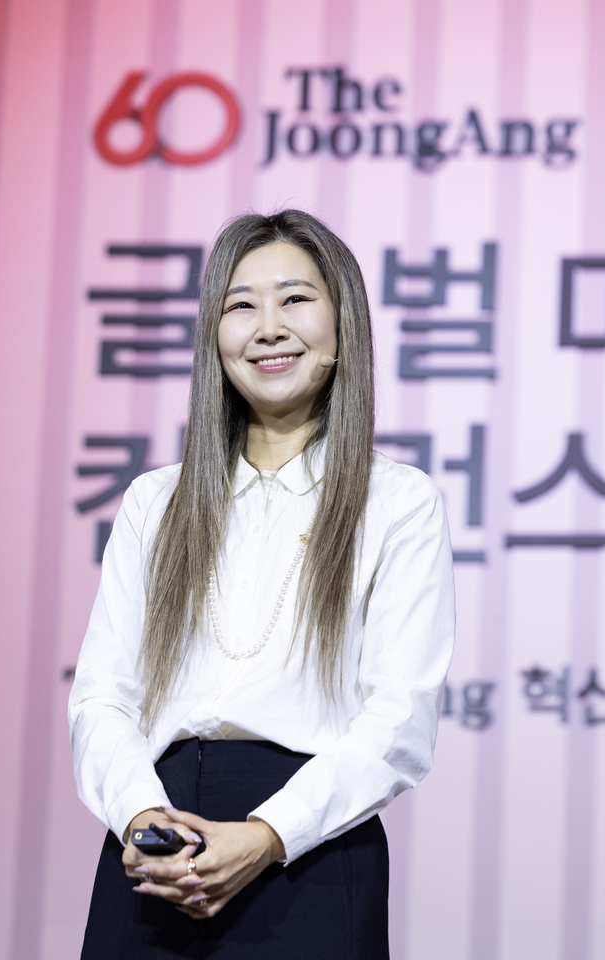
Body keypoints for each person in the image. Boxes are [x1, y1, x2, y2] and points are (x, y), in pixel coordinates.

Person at [68, 209, 455, 958]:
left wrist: (267, 834)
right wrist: (142, 817)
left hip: (309, 851)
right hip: (155, 848)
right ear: (214, 337)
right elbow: (102, 696)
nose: (268, 328)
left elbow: (399, 718)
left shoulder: (397, 502)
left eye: (296, 299)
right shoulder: (155, 501)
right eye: (240, 305)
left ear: (343, 327)